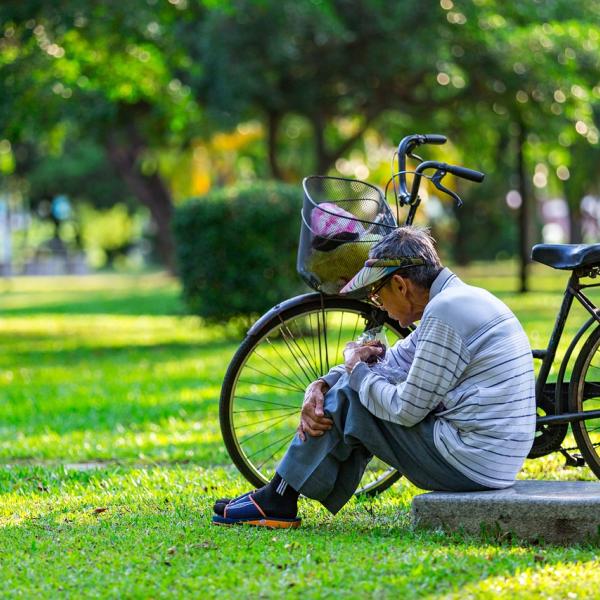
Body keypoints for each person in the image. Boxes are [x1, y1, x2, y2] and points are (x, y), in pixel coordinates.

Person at [212, 226, 536, 528]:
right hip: (490, 460)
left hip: (473, 463)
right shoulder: (458, 300)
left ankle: (278, 498)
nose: (376, 302)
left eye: (378, 293)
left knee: (354, 394)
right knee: (354, 385)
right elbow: (394, 360)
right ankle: (278, 495)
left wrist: (355, 373)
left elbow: (405, 410)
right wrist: (323, 383)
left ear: (400, 285)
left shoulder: (445, 313)